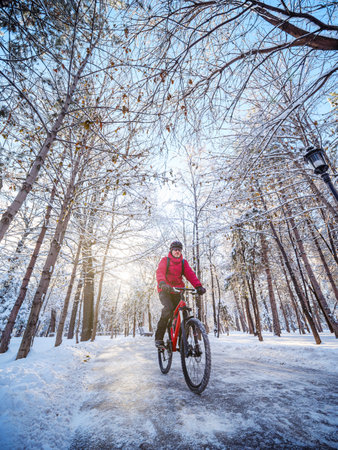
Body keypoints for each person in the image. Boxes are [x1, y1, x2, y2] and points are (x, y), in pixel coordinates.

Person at [155, 240, 206, 348]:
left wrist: (198, 286)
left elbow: (190, 274)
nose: (177, 252)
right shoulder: (165, 260)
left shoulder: (183, 263)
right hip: (165, 290)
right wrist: (162, 283)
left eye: (179, 250)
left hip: (178, 290)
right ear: (171, 251)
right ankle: (159, 338)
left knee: (184, 314)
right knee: (168, 309)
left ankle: (183, 342)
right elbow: (160, 272)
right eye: (175, 250)